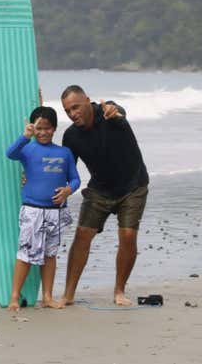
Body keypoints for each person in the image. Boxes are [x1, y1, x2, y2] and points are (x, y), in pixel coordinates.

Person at [59, 85, 149, 307]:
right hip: (100, 190)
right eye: (67, 111)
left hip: (133, 185)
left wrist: (115, 110)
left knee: (128, 235)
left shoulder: (110, 114)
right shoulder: (71, 136)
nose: (72, 114)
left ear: (88, 101)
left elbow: (118, 112)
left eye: (76, 107)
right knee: (82, 235)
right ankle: (68, 294)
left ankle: (119, 291)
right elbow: (66, 170)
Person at [5, 106, 80, 311]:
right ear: (33, 128)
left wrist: (68, 190)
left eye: (47, 128)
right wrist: (25, 136)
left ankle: (47, 296)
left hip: (56, 211)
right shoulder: (27, 149)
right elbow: (9, 153)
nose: (43, 132)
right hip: (32, 210)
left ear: (54, 128)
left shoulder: (64, 152)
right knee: (26, 253)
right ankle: (14, 296)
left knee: (50, 254)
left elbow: (75, 179)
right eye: (39, 128)